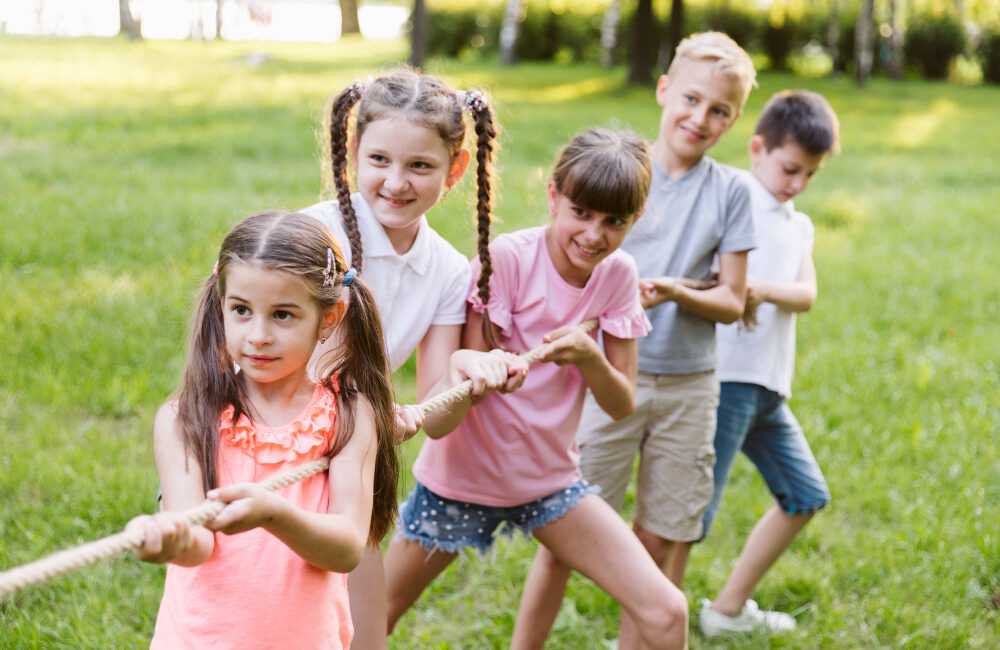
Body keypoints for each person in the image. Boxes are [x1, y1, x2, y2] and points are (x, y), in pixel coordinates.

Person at [384, 128, 689, 649]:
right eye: (581, 213)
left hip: (549, 483)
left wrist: (589, 355)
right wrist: (488, 369)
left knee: (667, 610)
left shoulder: (618, 275)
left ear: (635, 220)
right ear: (553, 196)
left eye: (614, 221)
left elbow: (621, 404)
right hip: (461, 482)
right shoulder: (507, 258)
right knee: (370, 617)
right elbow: (466, 387)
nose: (593, 234)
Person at [516, 31, 758, 649]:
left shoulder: (731, 191)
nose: (699, 118)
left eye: (719, 110)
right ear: (664, 90)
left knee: (660, 536)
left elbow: (732, 300)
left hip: (688, 384)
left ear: (733, 120)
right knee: (564, 535)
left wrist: (673, 291)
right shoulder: (615, 172)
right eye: (691, 99)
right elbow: (567, 264)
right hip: (606, 379)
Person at [299, 68, 524, 649]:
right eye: (379, 160)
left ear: (456, 168)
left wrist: (466, 373)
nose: (396, 182)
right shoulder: (312, 235)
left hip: (354, 466)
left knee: (363, 636)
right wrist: (364, 415)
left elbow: (437, 417)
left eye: (420, 165)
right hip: (271, 455)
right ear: (354, 152)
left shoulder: (447, 271)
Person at [127, 211, 399, 649]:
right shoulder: (186, 417)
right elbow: (197, 542)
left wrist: (275, 515)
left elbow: (348, 547)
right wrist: (169, 539)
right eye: (241, 310)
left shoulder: (348, 415)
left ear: (328, 318)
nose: (258, 335)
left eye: (283, 315)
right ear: (221, 305)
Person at [697, 90, 839, 638]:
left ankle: (726, 610)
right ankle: (645, 628)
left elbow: (806, 294)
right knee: (691, 519)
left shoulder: (798, 224)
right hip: (728, 381)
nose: (797, 184)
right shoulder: (734, 199)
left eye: (811, 175)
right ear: (758, 149)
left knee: (806, 496)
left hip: (769, 389)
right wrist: (737, 288)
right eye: (790, 169)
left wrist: (758, 289)